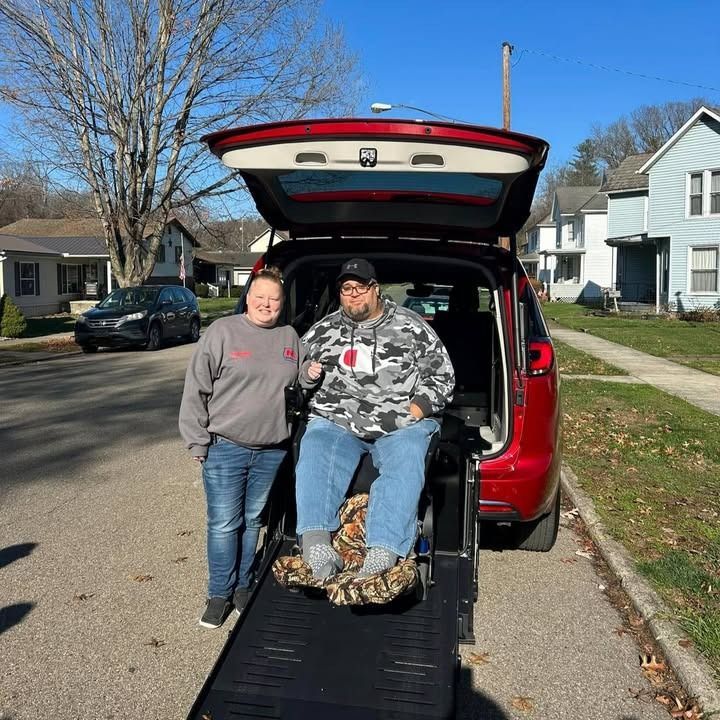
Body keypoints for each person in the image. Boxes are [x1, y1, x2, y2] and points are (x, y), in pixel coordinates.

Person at [295, 258, 455, 581]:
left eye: (360, 287)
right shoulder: (323, 331)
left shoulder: (411, 327)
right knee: (313, 442)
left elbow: (443, 377)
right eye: (346, 289)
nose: (353, 295)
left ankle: (383, 550)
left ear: (375, 289)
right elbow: (295, 371)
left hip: (399, 425)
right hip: (338, 422)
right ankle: (316, 545)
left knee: (409, 453)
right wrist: (305, 376)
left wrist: (415, 412)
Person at [179, 267, 302, 628]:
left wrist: (311, 372)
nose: (267, 304)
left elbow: (302, 376)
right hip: (224, 447)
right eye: (260, 297)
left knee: (251, 522)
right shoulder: (223, 332)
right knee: (223, 523)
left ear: (282, 304)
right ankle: (219, 593)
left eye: (274, 299)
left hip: (271, 449)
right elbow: (196, 389)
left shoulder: (290, 337)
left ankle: (243, 586)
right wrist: (197, 439)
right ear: (247, 297)